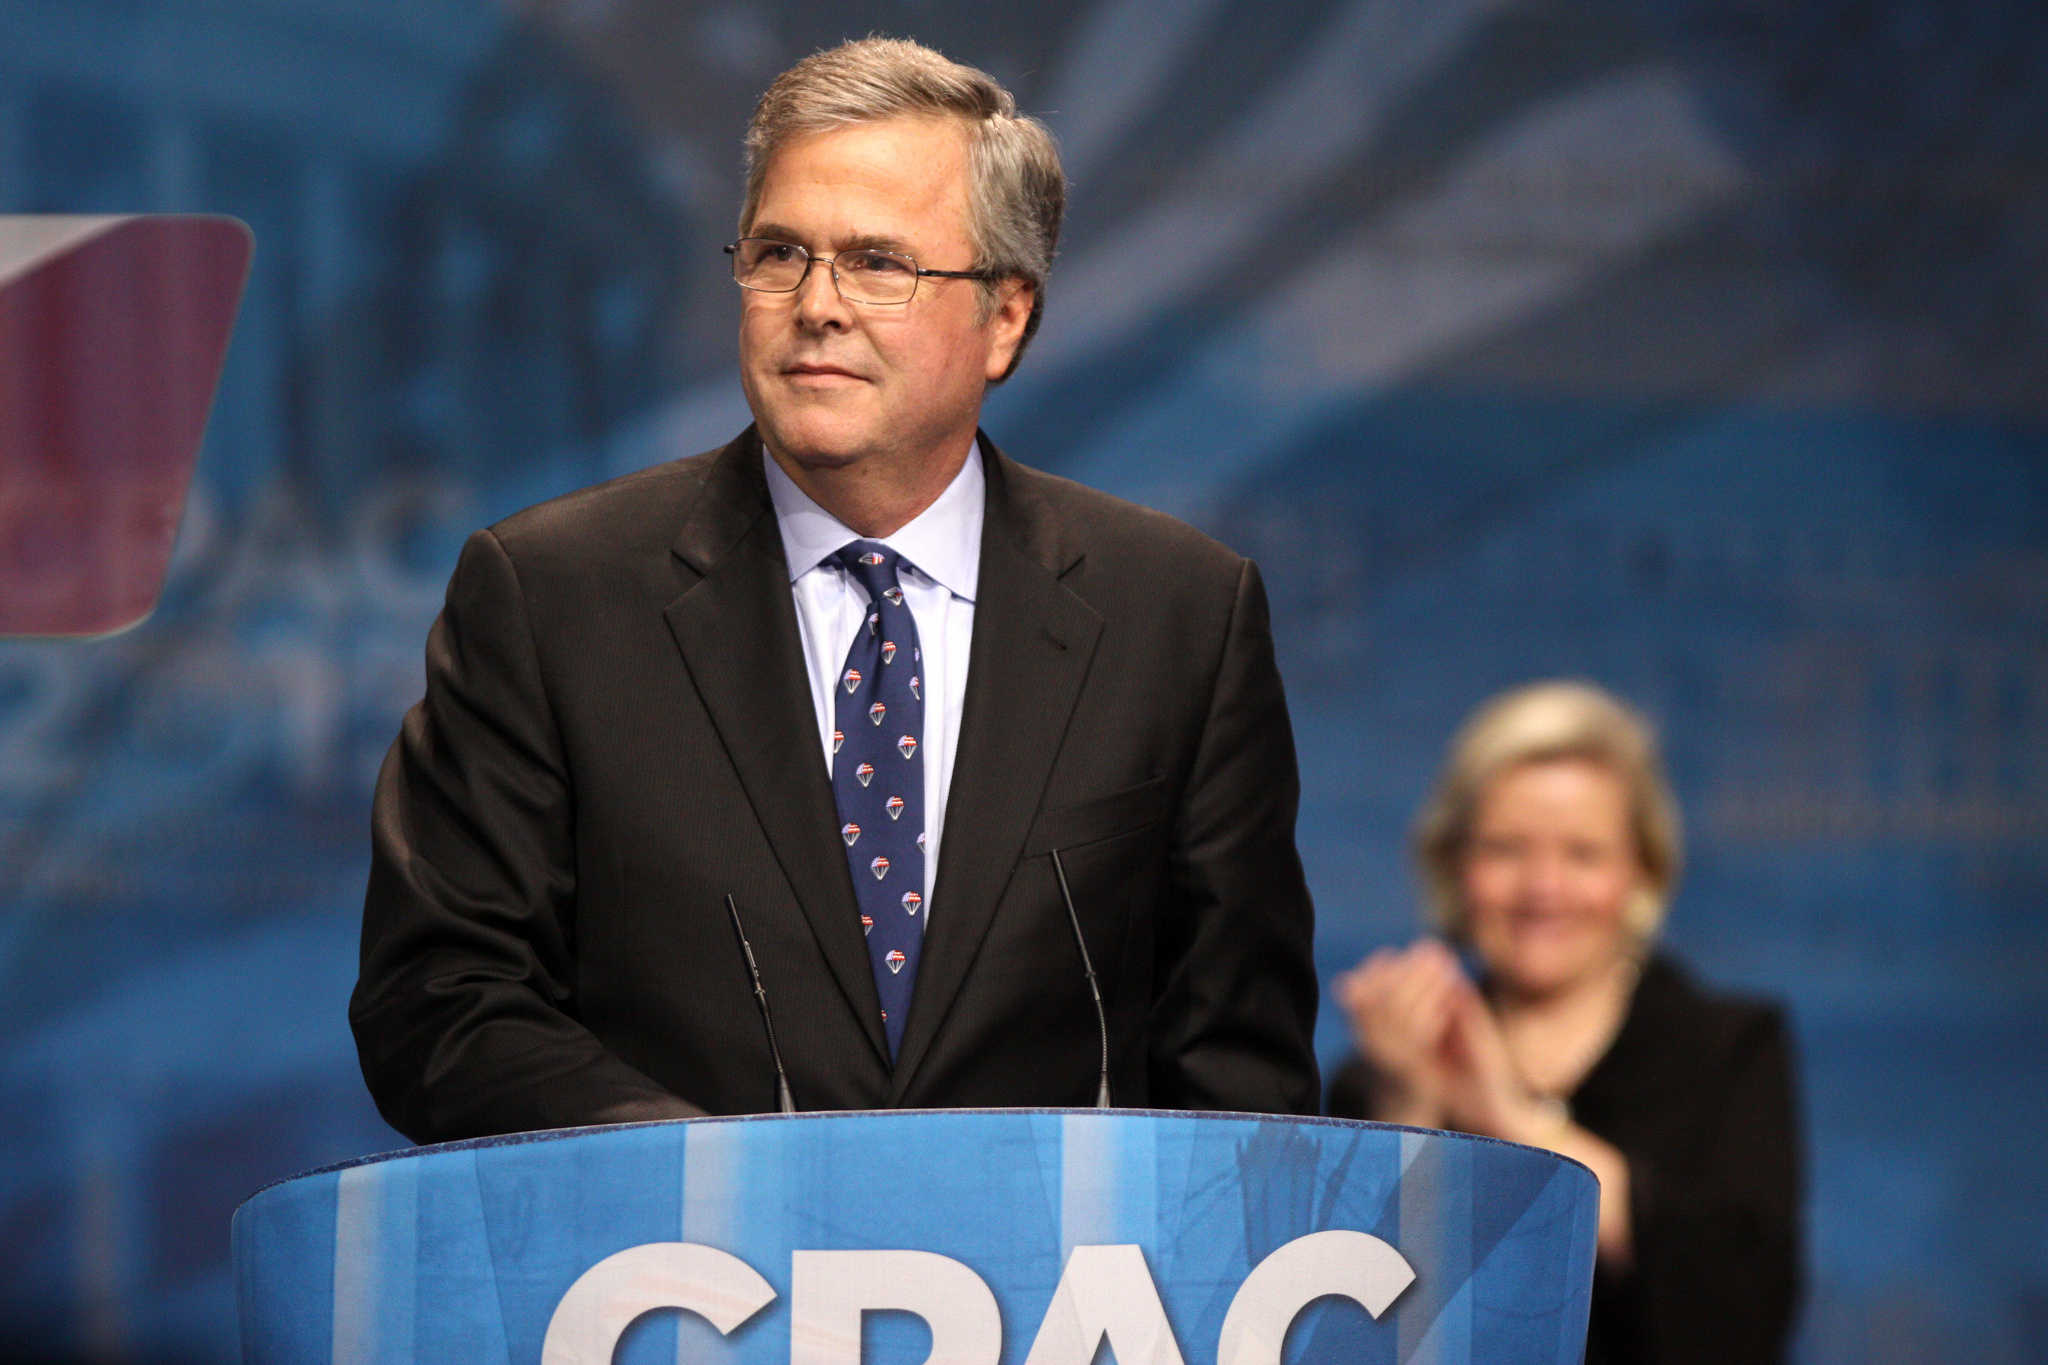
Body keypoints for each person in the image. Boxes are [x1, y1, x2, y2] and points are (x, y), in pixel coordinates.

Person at [350, 38, 1320, 1142]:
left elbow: (1241, 1081)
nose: (816, 304)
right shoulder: (550, 596)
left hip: (1054, 1255)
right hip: (672, 1245)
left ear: (1005, 316)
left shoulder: (1178, 616)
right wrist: (714, 1182)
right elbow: (441, 1000)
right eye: (779, 254)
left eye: (877, 262)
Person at [1327, 682, 1800, 1364]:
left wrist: (1515, 1121)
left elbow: (1741, 1310)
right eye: (1506, 848)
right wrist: (1411, 1111)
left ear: (1642, 873)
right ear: (1455, 865)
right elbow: (1356, 1328)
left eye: (1583, 853)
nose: (1542, 888)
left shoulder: (1727, 1049)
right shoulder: (1387, 1072)